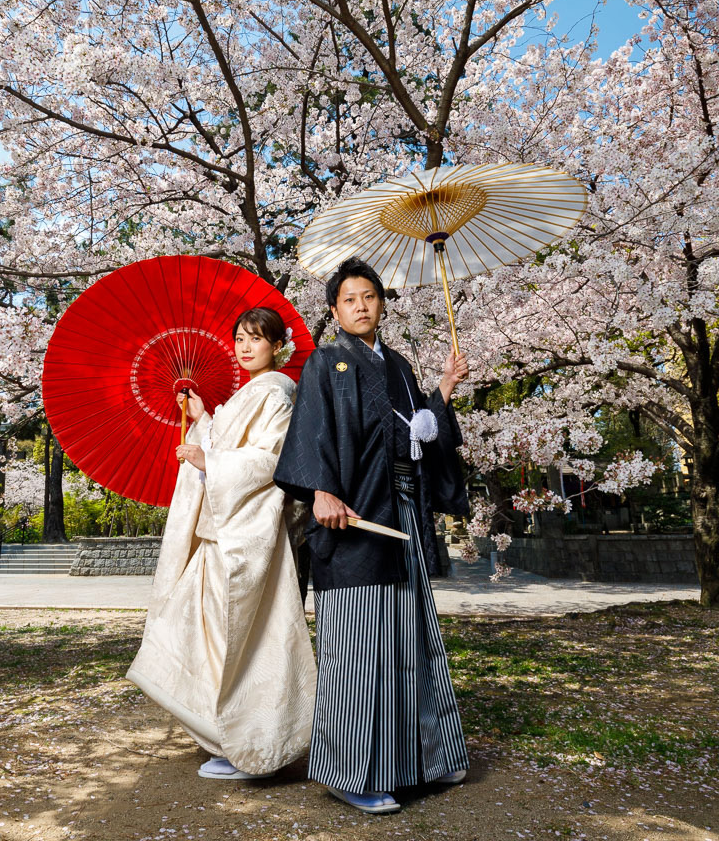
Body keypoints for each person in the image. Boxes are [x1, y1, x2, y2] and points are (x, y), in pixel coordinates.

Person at [273, 257, 471, 814]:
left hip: (401, 511)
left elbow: (413, 436)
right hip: (354, 515)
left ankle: (423, 757)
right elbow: (310, 434)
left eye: (370, 296)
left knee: (411, 637)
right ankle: (349, 770)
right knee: (357, 646)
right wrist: (320, 491)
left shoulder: (400, 366)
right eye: (350, 299)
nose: (361, 306)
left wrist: (442, 396)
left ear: (383, 304)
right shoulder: (325, 363)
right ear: (334, 310)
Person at [126, 307, 315, 780]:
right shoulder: (246, 395)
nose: (246, 346)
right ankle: (219, 730)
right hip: (221, 533)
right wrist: (203, 418)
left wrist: (207, 459)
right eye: (240, 338)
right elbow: (228, 448)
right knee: (198, 631)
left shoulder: (277, 394)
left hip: (244, 538)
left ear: (278, 346)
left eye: (257, 338)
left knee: (241, 637)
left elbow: (267, 460)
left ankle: (247, 740)